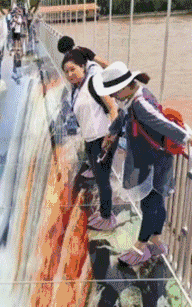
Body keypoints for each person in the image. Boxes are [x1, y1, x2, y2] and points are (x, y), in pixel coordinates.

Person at [92, 61, 192, 265]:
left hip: (153, 162)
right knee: (156, 202)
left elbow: (162, 124)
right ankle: (156, 241)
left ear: (125, 86)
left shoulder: (140, 103)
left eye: (115, 92)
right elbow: (124, 116)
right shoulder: (136, 96)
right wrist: (112, 132)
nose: (114, 97)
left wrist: (190, 140)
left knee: (150, 204)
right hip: (152, 158)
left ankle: (141, 246)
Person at [62, 49, 119, 231]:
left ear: (83, 67)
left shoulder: (94, 82)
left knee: (102, 179)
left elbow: (112, 108)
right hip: (90, 139)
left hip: (102, 138)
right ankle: (104, 213)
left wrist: (111, 135)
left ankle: (107, 217)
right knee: (100, 177)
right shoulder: (77, 89)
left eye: (73, 69)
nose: (70, 74)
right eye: (66, 71)